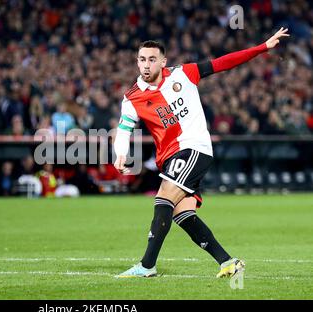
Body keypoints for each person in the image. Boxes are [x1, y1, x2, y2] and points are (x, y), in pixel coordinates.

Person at [113, 28, 289, 278]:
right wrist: (120, 153)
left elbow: (223, 63)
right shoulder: (132, 98)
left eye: (152, 59)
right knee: (182, 214)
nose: (146, 64)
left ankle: (147, 265)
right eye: (142, 59)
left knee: (163, 199)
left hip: (193, 147)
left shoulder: (184, 74)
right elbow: (123, 129)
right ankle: (228, 262)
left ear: (163, 61)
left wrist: (262, 47)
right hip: (170, 157)